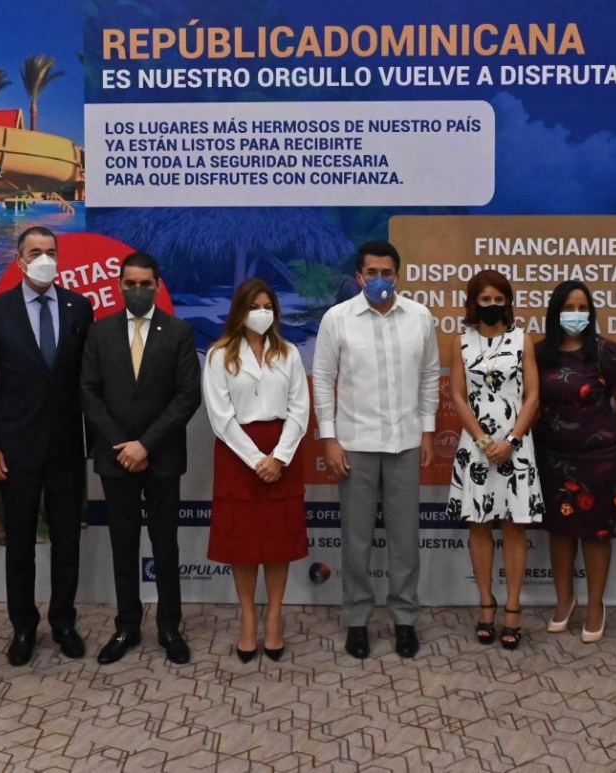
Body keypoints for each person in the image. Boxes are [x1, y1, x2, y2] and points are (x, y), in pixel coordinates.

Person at [312, 240, 439, 660]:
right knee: (356, 540)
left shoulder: (419, 317)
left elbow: (429, 375)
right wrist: (329, 438)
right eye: (372, 273)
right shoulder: (337, 319)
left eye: (387, 273)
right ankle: (357, 620)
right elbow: (323, 378)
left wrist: (427, 431)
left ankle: (404, 620)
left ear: (398, 276)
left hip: (405, 442)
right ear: (358, 277)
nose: (380, 280)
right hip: (354, 444)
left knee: (405, 540)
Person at [0, 225, 94, 666]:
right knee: (20, 541)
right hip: (15, 447)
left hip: (66, 446)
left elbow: (87, 381)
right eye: (35, 251)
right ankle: (23, 627)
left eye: (51, 251)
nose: (44, 258)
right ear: (19, 259)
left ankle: (63, 622)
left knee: (67, 540)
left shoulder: (79, 307)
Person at [81, 252, 201, 665]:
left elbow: (188, 396)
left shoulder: (179, 332)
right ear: (119, 285)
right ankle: (126, 626)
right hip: (116, 459)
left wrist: (145, 445)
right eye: (130, 283)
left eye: (145, 284)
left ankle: (170, 627)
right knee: (123, 544)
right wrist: (122, 446)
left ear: (158, 285)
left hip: (161, 457)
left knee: (165, 545)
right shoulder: (99, 332)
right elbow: (89, 393)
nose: (137, 290)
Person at [203, 278, 309, 663]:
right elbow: (220, 417)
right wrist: (256, 460)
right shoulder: (219, 355)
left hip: (283, 451)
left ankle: (275, 615)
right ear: (239, 311)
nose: (261, 313)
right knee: (243, 542)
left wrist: (278, 457)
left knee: (279, 540)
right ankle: (248, 616)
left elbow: (300, 410)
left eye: (267, 307)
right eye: (254, 307)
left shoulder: (289, 353)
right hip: (238, 454)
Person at [445, 270, 544, 650]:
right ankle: (486, 605)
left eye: (498, 299)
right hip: (477, 447)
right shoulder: (460, 341)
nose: (491, 305)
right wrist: (485, 441)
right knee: (480, 526)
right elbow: (457, 395)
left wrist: (512, 440)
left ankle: (513, 608)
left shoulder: (522, 339)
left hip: (516, 445)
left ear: (508, 302)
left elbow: (532, 396)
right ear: (473, 303)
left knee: (515, 528)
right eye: (484, 300)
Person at [534, 281, 616, 643]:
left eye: (582, 308)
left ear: (591, 313)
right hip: (552, 457)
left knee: (596, 533)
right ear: (555, 312)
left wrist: (600, 435)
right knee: (560, 530)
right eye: (568, 308)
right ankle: (565, 601)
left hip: (601, 459)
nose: (575, 314)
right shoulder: (540, 353)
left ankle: (595, 606)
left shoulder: (609, 353)